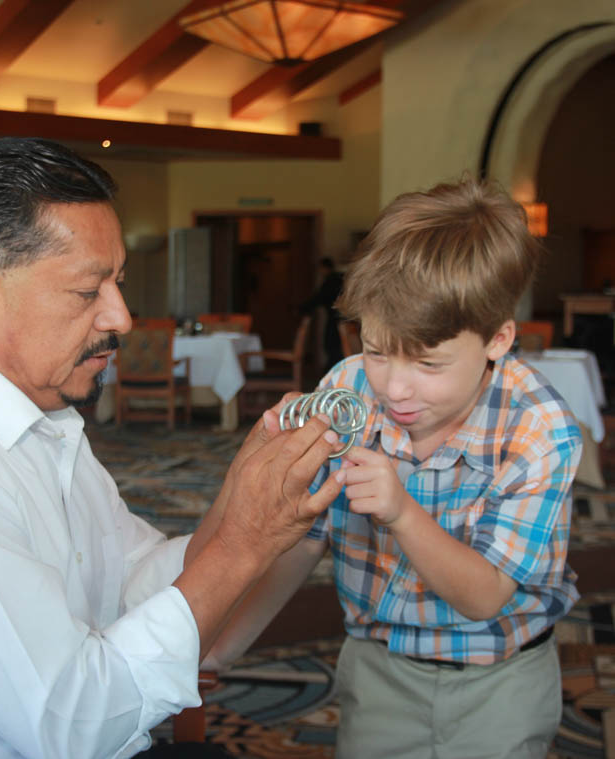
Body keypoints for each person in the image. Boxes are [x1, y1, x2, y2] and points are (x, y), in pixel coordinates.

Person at [0, 137, 343, 758]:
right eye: (86, 291)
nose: (121, 317)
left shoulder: (39, 418)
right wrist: (241, 542)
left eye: (118, 283)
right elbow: (76, 728)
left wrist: (254, 508)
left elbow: (138, 586)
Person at [204, 177, 581, 759]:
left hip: (500, 681)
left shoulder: (539, 428)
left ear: (497, 339)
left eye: (428, 363)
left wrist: (401, 510)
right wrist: (223, 649)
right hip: (376, 670)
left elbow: (485, 598)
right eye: (377, 349)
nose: (395, 387)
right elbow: (305, 540)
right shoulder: (347, 387)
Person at [300, 257, 345, 371]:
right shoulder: (339, 278)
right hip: (342, 317)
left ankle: (333, 371)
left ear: (324, 268)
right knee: (335, 345)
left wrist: (303, 308)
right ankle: (334, 370)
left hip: (336, 317)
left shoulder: (331, 280)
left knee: (332, 345)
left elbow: (319, 298)